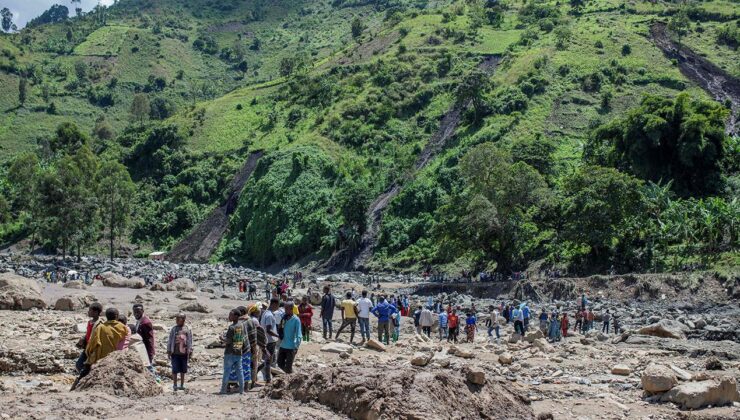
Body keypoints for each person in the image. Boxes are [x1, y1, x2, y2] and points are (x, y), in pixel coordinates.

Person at [71, 307, 127, 390]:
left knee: (85, 371)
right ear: (117, 316)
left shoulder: (101, 327)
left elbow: (92, 342)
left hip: (99, 356)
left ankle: (76, 388)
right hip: (114, 356)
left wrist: (88, 353)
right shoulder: (123, 327)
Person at [220, 309, 245, 395]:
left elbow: (229, 341)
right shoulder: (241, 326)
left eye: (230, 315)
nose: (229, 316)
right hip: (238, 351)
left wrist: (222, 338)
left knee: (227, 371)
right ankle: (242, 390)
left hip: (230, 352)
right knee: (240, 371)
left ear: (236, 316)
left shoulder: (231, 327)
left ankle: (223, 390)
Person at [167, 313, 193, 391]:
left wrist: (190, 350)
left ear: (184, 320)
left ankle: (182, 384)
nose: (177, 321)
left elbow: (190, 341)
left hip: (184, 353)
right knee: (174, 369)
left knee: (183, 370)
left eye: (179, 319)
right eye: (176, 319)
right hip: (175, 353)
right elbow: (170, 340)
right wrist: (169, 350)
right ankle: (175, 385)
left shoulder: (187, 329)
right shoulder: (174, 329)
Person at [75, 302, 103, 373]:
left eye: (90, 310)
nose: (88, 312)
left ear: (96, 312)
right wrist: (83, 338)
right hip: (87, 347)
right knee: (79, 365)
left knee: (83, 365)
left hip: (93, 348)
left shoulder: (100, 323)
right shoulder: (90, 322)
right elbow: (88, 333)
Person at [259, 298, 280, 384]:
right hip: (270, 341)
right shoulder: (269, 315)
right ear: (274, 304)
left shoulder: (265, 313)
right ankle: (268, 379)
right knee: (268, 361)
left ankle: (256, 371)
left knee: (267, 360)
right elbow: (268, 330)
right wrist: (278, 336)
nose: (277, 308)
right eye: (277, 306)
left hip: (266, 340)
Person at [277, 302, 302, 374]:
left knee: (288, 366)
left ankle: (289, 378)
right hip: (282, 345)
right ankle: (288, 375)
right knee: (279, 364)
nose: (285, 310)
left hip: (291, 347)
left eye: (287, 309)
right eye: (285, 308)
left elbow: (298, 334)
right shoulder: (283, 318)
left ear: (291, 309)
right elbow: (280, 329)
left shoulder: (296, 320)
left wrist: (296, 346)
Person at [133, 304, 156, 374]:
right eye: (134, 312)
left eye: (138, 311)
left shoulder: (146, 322)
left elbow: (150, 339)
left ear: (142, 311)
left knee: (149, 370)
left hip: (146, 351)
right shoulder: (139, 321)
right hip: (141, 350)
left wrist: (150, 353)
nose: (136, 314)